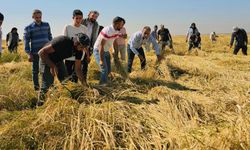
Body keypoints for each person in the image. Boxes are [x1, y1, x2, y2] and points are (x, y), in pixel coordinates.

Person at [38, 33, 90, 106]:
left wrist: (84, 83)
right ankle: (40, 104)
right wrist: (52, 66)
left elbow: (78, 69)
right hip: (46, 58)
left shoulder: (79, 51)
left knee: (66, 81)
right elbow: (41, 52)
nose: (83, 49)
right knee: (47, 84)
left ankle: (63, 99)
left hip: (58, 60)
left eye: (84, 47)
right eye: (82, 47)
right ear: (76, 43)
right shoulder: (62, 41)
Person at [24, 9, 52, 91]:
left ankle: (48, 86)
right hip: (36, 53)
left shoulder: (46, 25)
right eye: (36, 17)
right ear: (33, 17)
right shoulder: (28, 28)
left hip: (47, 52)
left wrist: (52, 47)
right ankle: (36, 88)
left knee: (47, 70)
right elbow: (26, 41)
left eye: (40, 17)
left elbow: (50, 37)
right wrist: (29, 53)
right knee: (35, 71)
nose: (38, 19)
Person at [93, 16, 126, 85]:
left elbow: (114, 42)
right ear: (116, 23)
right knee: (104, 69)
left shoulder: (116, 30)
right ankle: (102, 86)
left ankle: (103, 80)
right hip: (98, 51)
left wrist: (116, 53)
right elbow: (101, 46)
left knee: (108, 70)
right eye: (121, 24)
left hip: (106, 51)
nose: (122, 26)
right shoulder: (107, 30)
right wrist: (101, 60)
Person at [63, 9, 88, 83]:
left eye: (80, 18)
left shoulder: (84, 28)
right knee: (68, 73)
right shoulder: (67, 27)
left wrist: (87, 55)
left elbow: (86, 42)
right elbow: (64, 40)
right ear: (73, 18)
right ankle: (68, 89)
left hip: (80, 55)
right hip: (69, 55)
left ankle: (75, 88)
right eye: (76, 18)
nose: (78, 20)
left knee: (77, 73)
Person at [81, 10, 100, 83]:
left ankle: (84, 80)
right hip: (80, 45)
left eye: (96, 17)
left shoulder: (96, 25)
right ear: (89, 15)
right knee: (78, 63)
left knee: (86, 64)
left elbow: (94, 36)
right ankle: (74, 79)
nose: (94, 18)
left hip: (89, 46)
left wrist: (93, 46)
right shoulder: (82, 21)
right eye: (93, 16)